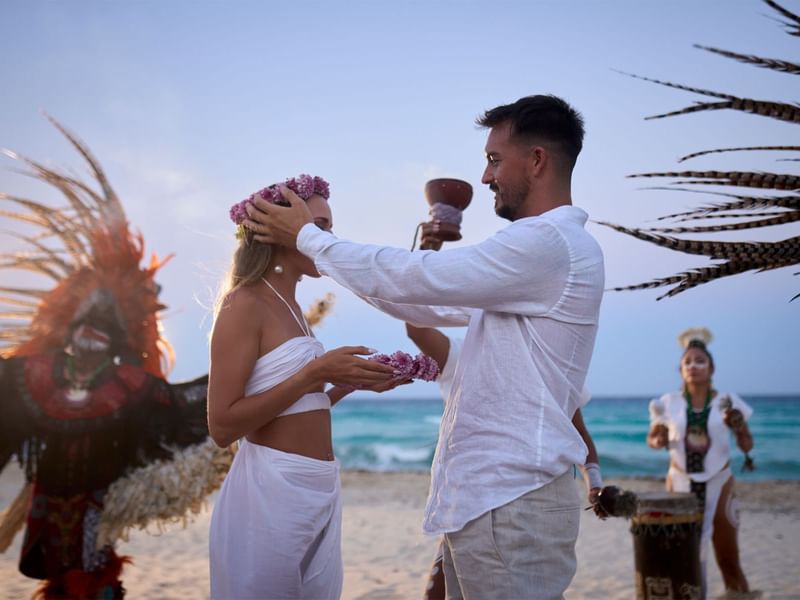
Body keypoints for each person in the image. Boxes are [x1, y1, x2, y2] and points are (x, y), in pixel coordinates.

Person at [244, 95, 605, 599]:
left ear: (538, 159)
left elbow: (417, 282)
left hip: (512, 501)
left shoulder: (549, 244)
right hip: (488, 502)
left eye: (495, 160)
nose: (484, 177)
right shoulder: (537, 254)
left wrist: (309, 239)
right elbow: (416, 300)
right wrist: (329, 249)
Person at [0, 120, 210, 600]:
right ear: (66, 326)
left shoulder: (132, 384)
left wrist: (257, 372)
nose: (91, 332)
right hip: (48, 499)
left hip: (100, 500)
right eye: (83, 324)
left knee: (96, 585)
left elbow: (187, 406)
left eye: (105, 327)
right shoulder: (31, 375)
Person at [207, 175, 400, 600]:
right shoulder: (244, 305)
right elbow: (222, 427)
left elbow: (290, 408)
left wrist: (342, 387)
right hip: (270, 492)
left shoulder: (292, 307)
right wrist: (313, 374)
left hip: (319, 486)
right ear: (276, 231)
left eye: (328, 228)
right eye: (318, 226)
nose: (326, 238)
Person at [406, 323, 606, 600]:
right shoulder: (461, 354)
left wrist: (594, 483)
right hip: (466, 502)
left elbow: (578, 434)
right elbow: (417, 330)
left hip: (524, 506)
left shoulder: (548, 361)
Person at [647, 328, 754, 594]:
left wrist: (738, 427)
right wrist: (658, 440)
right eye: (687, 362)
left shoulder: (728, 402)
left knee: (728, 557)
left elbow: (747, 445)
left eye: (700, 361)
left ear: (711, 368)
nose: (693, 366)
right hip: (680, 484)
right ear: (680, 369)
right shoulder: (667, 402)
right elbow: (653, 439)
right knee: (683, 558)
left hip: (720, 482)